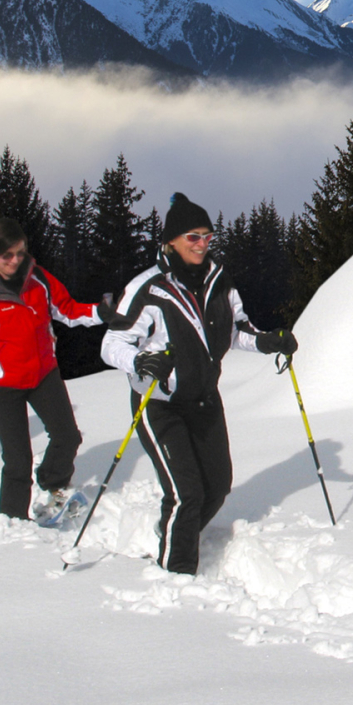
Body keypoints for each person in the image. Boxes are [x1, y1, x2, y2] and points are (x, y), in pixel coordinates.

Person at [100, 193, 298, 575]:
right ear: (170, 241)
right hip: (159, 404)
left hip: (205, 400)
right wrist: (140, 360)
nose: (202, 244)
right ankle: (176, 576)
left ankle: (176, 533)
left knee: (218, 486)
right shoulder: (149, 288)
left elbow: (237, 331)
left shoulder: (219, 281)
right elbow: (112, 343)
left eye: (207, 236)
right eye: (193, 236)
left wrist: (267, 340)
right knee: (186, 494)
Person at [0, 218, 125, 522]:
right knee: (17, 460)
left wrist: (99, 312)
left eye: (20, 253)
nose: (14, 261)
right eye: (6, 255)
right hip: (0, 383)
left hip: (42, 373)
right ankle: (12, 521)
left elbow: (68, 310)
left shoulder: (39, 280)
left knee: (68, 437)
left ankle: (53, 487)